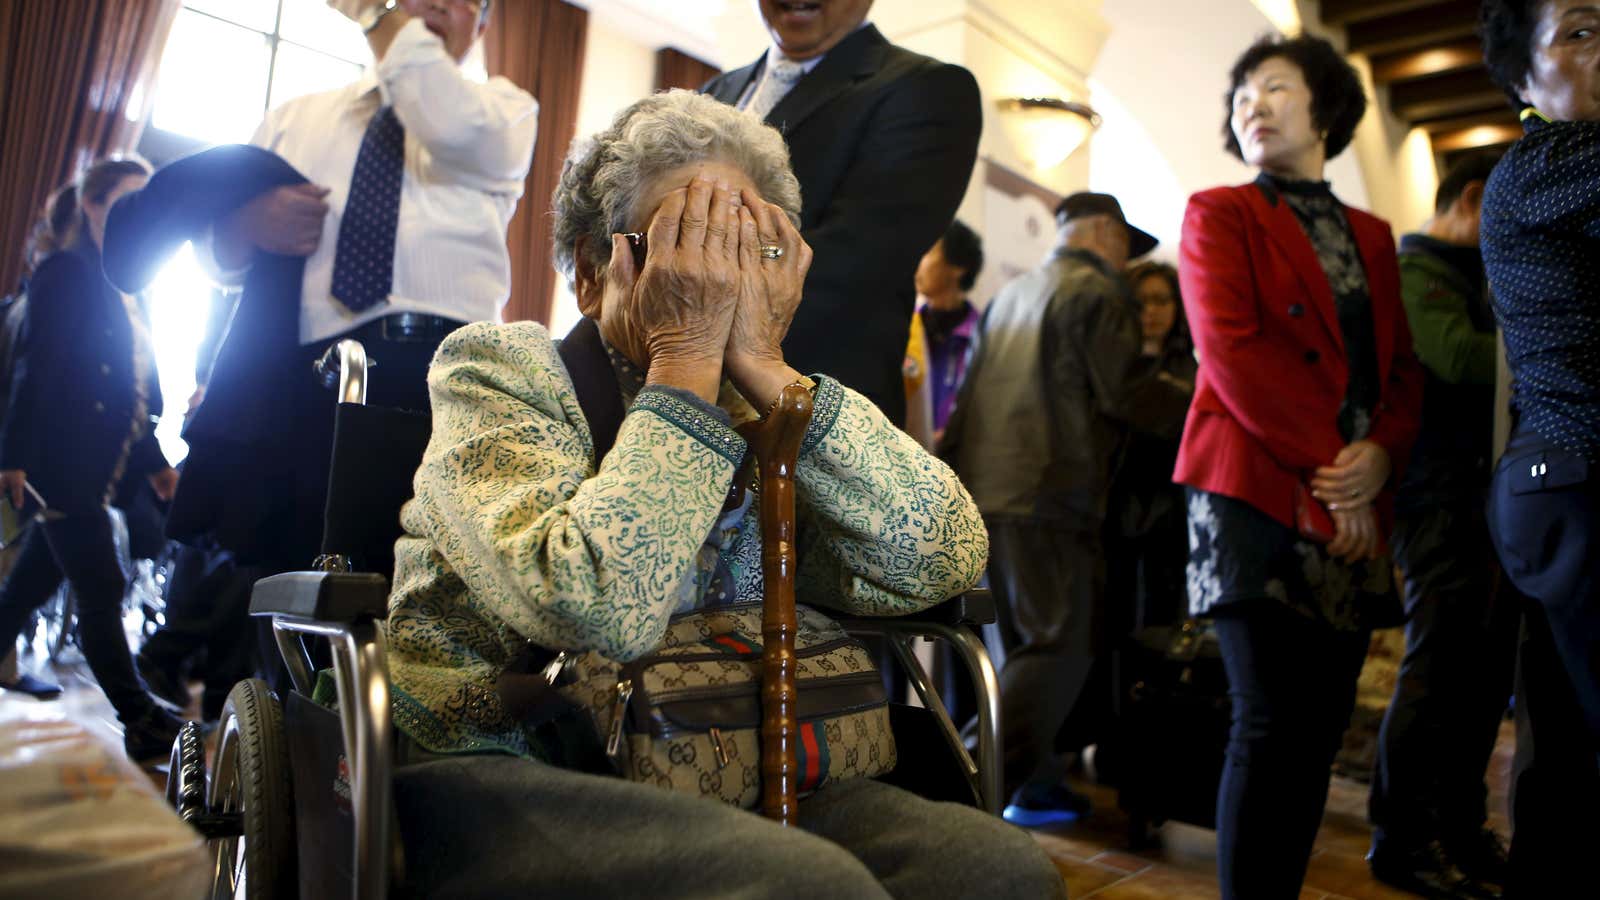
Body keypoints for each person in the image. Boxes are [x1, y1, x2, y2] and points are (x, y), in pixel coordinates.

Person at [381, 89, 1061, 900]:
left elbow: (940, 557)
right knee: (805, 888)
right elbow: (592, 601)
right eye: (682, 246)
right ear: (592, 274)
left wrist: (771, 373)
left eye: (744, 249)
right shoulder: (500, 369)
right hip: (508, 753)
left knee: (999, 873)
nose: (713, 277)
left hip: (730, 751)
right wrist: (685, 365)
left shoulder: (769, 407)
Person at [137, 0, 536, 574]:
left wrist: (375, 13)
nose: (440, 4)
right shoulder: (295, 118)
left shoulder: (502, 112)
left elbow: (446, 115)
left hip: (444, 379)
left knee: (412, 575)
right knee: (284, 572)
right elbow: (219, 263)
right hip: (305, 380)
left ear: (484, 25)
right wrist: (245, 227)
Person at [1176, 34, 1423, 898]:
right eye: (1242, 94)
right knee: (1267, 721)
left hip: (1352, 490)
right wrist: (1340, 480)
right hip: (1254, 484)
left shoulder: (1374, 234)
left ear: (1326, 108)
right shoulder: (1218, 211)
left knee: (1318, 731)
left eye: (1274, 87)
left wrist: (1381, 455)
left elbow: (1398, 370)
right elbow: (1233, 355)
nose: (1253, 103)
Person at [941, 192, 1191, 827]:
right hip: (1051, 498)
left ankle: (997, 784)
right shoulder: (1098, 292)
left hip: (985, 499)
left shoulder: (1010, 298)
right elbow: (1129, 393)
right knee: (1059, 651)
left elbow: (965, 409)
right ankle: (962, 797)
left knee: (1012, 658)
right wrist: (1207, 402)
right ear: (1105, 232)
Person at [702, 0, 982, 424]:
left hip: (813, 401)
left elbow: (861, 253)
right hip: (677, 389)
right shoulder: (715, 92)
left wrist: (690, 299)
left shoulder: (928, 88)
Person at [1365, 152, 1515, 900]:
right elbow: (1454, 358)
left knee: (1483, 676)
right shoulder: (1412, 271)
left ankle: (1459, 825)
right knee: (1437, 671)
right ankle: (1400, 838)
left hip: (1483, 501)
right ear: (1474, 197)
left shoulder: (1466, 277)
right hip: (1436, 500)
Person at [0, 157, 184, 760]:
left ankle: (140, 714)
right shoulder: (65, 271)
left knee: (29, 583)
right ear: (91, 206)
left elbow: (130, 396)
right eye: (121, 202)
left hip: (95, 467)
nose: (134, 217)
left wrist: (155, 461)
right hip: (59, 462)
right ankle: (140, 718)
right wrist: (16, 455)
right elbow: (35, 367)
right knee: (102, 583)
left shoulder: (125, 286)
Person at [1479, 2, 1600, 894]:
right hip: (1578, 480)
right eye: (1582, 32)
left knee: (1562, 762)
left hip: (1562, 483)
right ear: (1524, 79)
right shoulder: (1549, 163)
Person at [1104, 261, 1196, 633]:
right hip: (1114, 509)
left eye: (1161, 300)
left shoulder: (1191, 366)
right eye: (1142, 301)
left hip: (1171, 510)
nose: (1152, 310)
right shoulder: (1111, 364)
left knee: (1163, 616)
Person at [903, 219, 983, 450]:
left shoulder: (981, 337)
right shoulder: (907, 326)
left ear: (959, 266)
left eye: (928, 251)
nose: (918, 261)